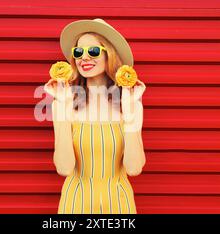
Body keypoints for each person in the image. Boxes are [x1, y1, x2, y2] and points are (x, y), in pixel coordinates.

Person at [44, 18, 146, 214]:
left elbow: (134, 168)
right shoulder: (63, 105)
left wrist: (130, 109)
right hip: (75, 205)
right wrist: (63, 108)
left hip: (119, 205)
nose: (84, 58)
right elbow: (64, 168)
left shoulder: (131, 105)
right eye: (78, 52)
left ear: (110, 55)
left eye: (93, 51)